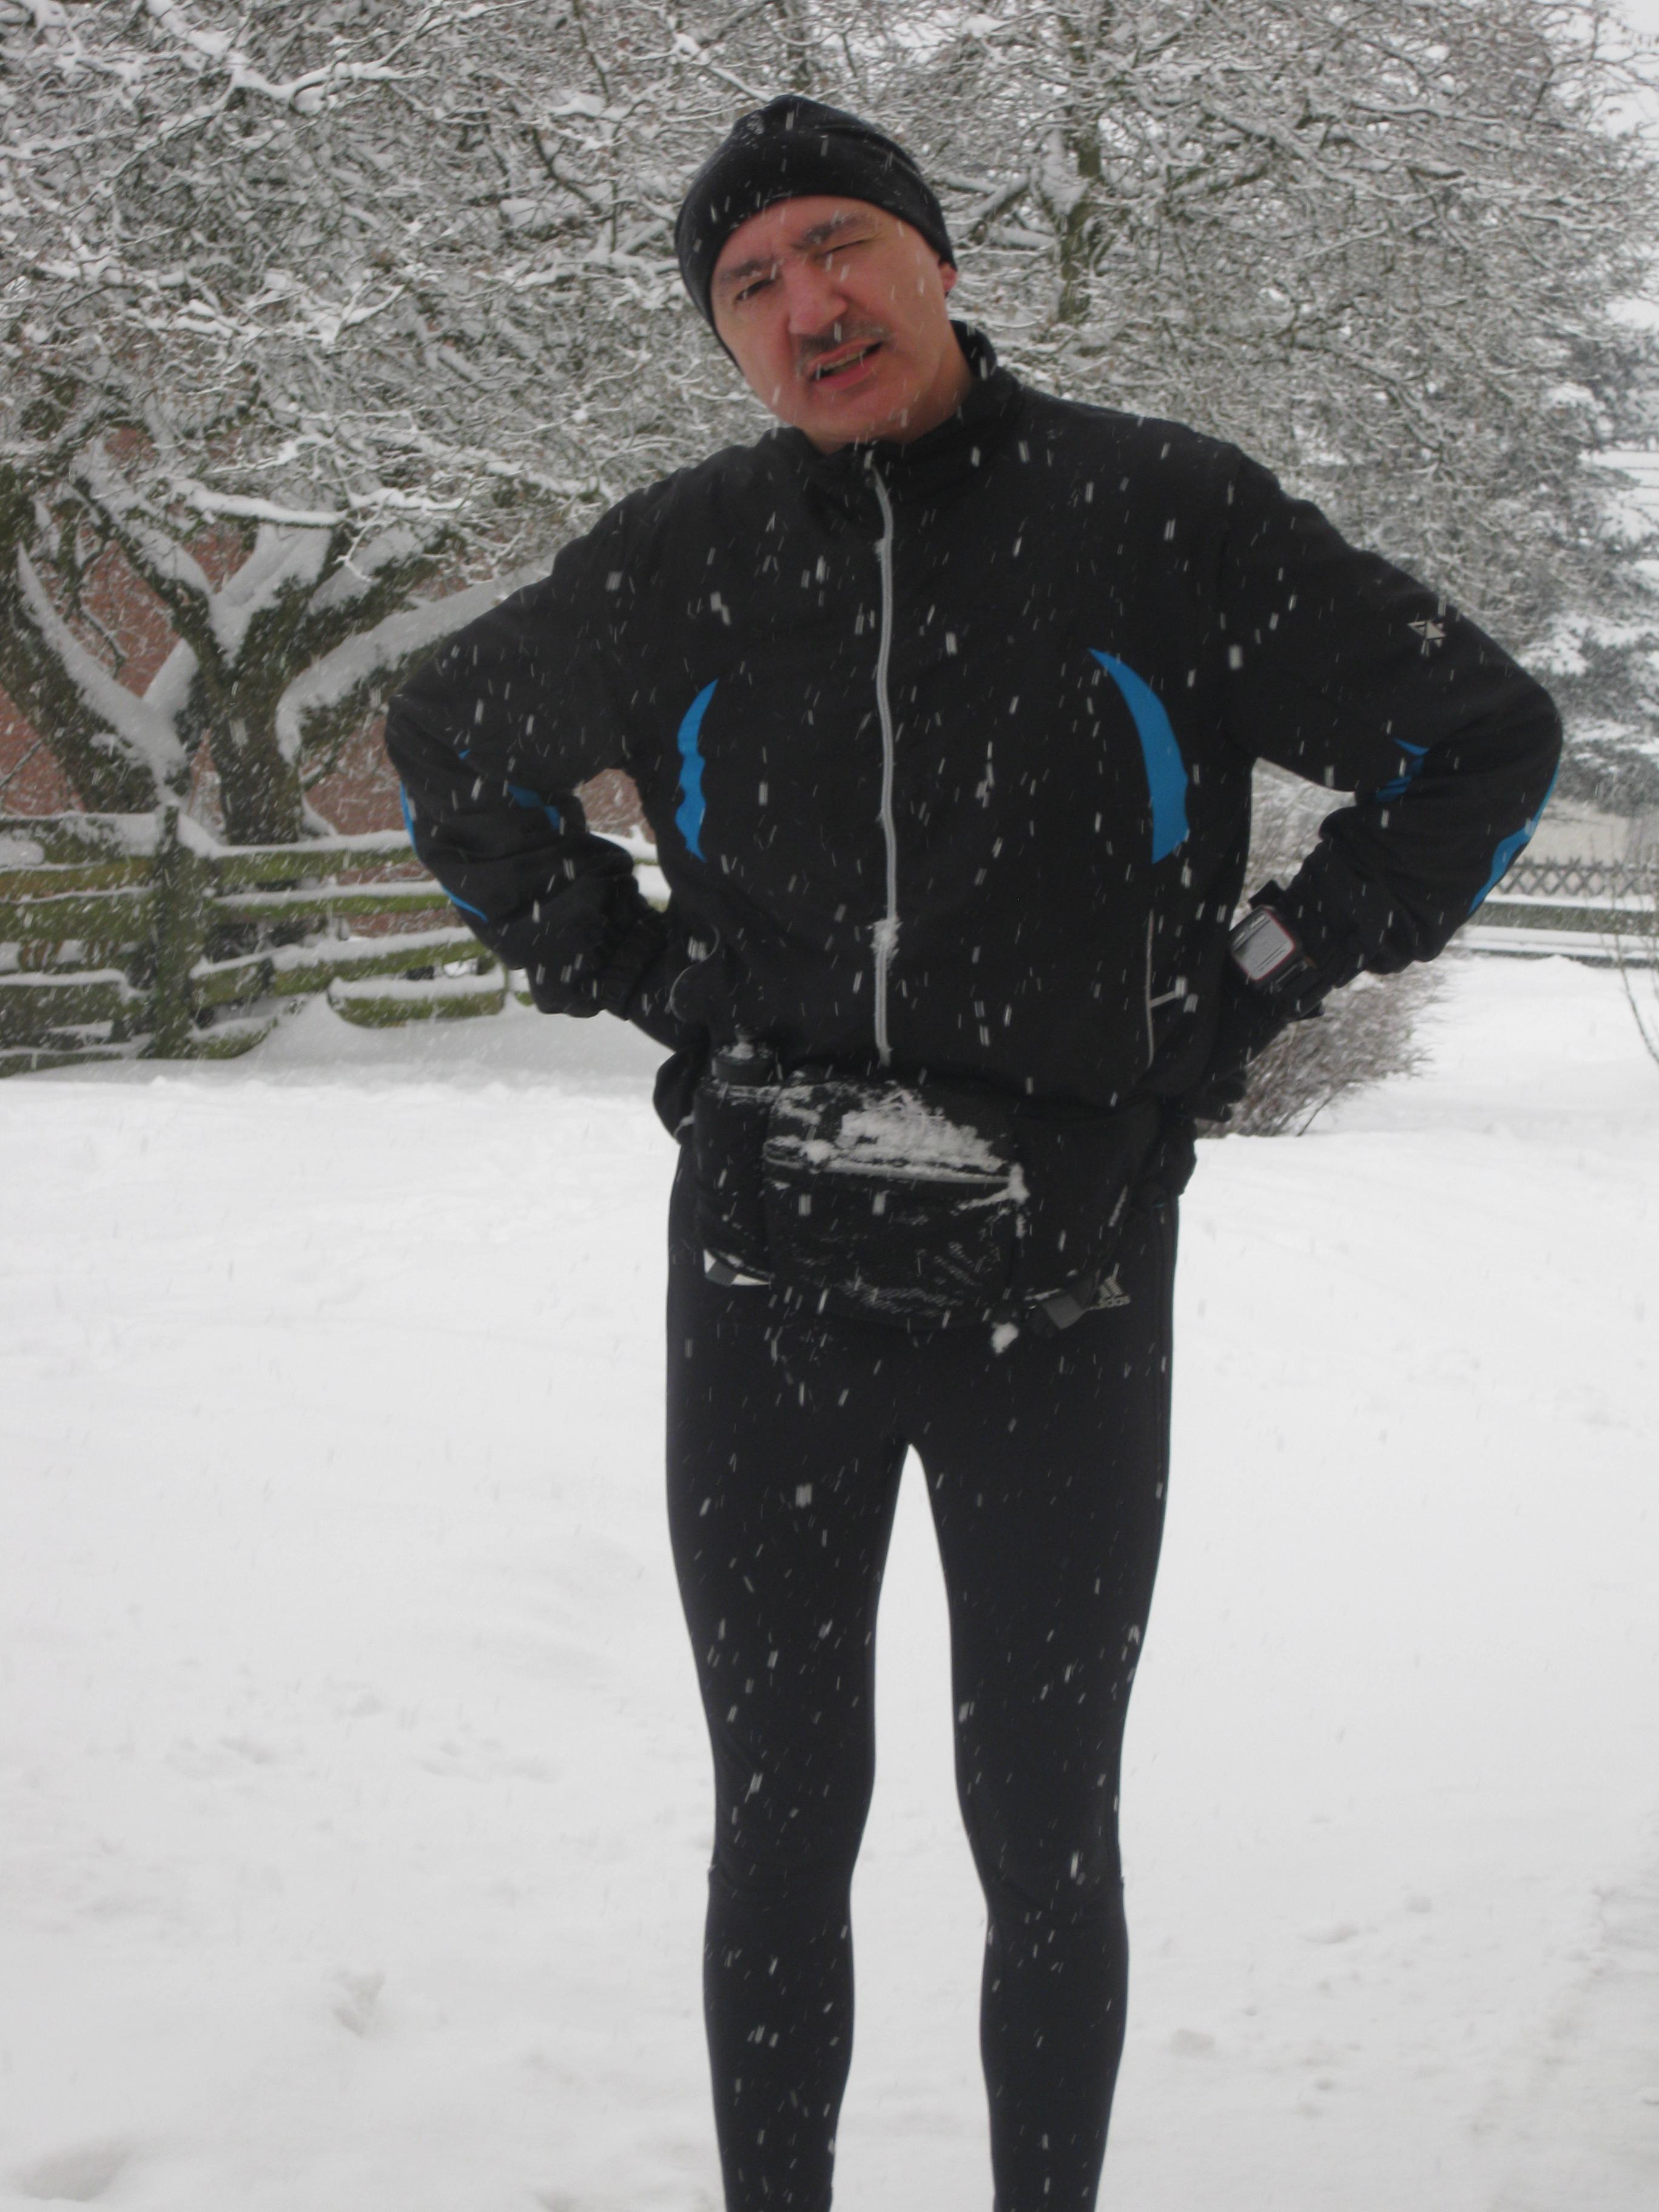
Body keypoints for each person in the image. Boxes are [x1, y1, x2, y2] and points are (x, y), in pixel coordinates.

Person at [386, 96, 1560, 2212]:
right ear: (727, 338)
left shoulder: (1161, 516)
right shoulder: (682, 558)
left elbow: (1478, 739)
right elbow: (449, 744)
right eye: (752, 284)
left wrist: (1252, 983)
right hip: (769, 1289)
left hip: (1068, 1285)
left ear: (935, 259)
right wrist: (648, 981)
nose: (809, 306)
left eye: (841, 247)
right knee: (781, 1820)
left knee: (1043, 1823)